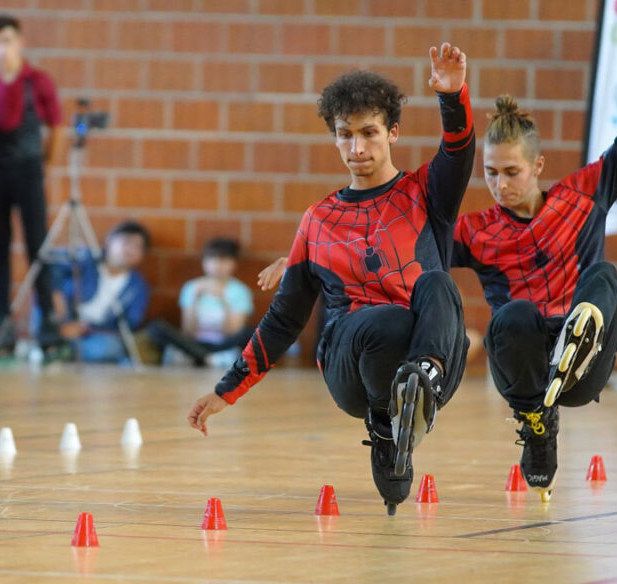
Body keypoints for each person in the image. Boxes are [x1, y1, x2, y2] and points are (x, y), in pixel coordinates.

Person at [187, 42, 475, 515]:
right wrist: (226, 390)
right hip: (351, 362)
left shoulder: (427, 193)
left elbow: (459, 150)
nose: (357, 148)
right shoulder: (318, 220)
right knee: (383, 322)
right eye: (345, 135)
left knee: (438, 285)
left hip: (423, 355)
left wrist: (453, 94)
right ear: (334, 137)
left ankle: (418, 395)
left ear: (393, 133)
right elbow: (283, 319)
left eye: (369, 133)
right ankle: (386, 421)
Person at [452, 3, 617, 501]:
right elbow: (408, 250)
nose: (499, 184)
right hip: (525, 366)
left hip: (586, 362)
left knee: (604, 275)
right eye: (490, 173)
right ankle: (537, 427)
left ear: (537, 166)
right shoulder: (476, 231)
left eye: (511, 173)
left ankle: (580, 335)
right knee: (509, 318)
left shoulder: (584, 193)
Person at [0, 14, 64, 354]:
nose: (3, 48)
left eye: (8, 40)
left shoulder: (37, 81)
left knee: (37, 247)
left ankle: (47, 326)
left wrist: (46, 164)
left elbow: (57, 126)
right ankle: (2, 326)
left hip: (29, 171)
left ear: (20, 43)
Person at [42, 221, 151, 364]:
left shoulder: (138, 287)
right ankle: (54, 346)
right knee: (43, 310)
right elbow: (50, 263)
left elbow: (130, 323)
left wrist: (87, 329)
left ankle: (57, 351)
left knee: (110, 348)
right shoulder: (87, 258)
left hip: (95, 335)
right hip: (63, 320)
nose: (129, 250)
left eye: (137, 247)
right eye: (126, 242)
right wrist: (57, 295)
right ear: (109, 241)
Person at [148, 237, 255, 367]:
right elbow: (188, 331)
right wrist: (195, 299)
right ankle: (209, 358)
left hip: (224, 345)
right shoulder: (192, 287)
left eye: (224, 260)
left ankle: (196, 358)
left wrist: (224, 300)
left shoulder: (240, 291)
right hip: (194, 343)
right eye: (212, 259)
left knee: (254, 333)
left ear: (234, 263)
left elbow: (233, 332)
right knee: (156, 327)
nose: (217, 265)